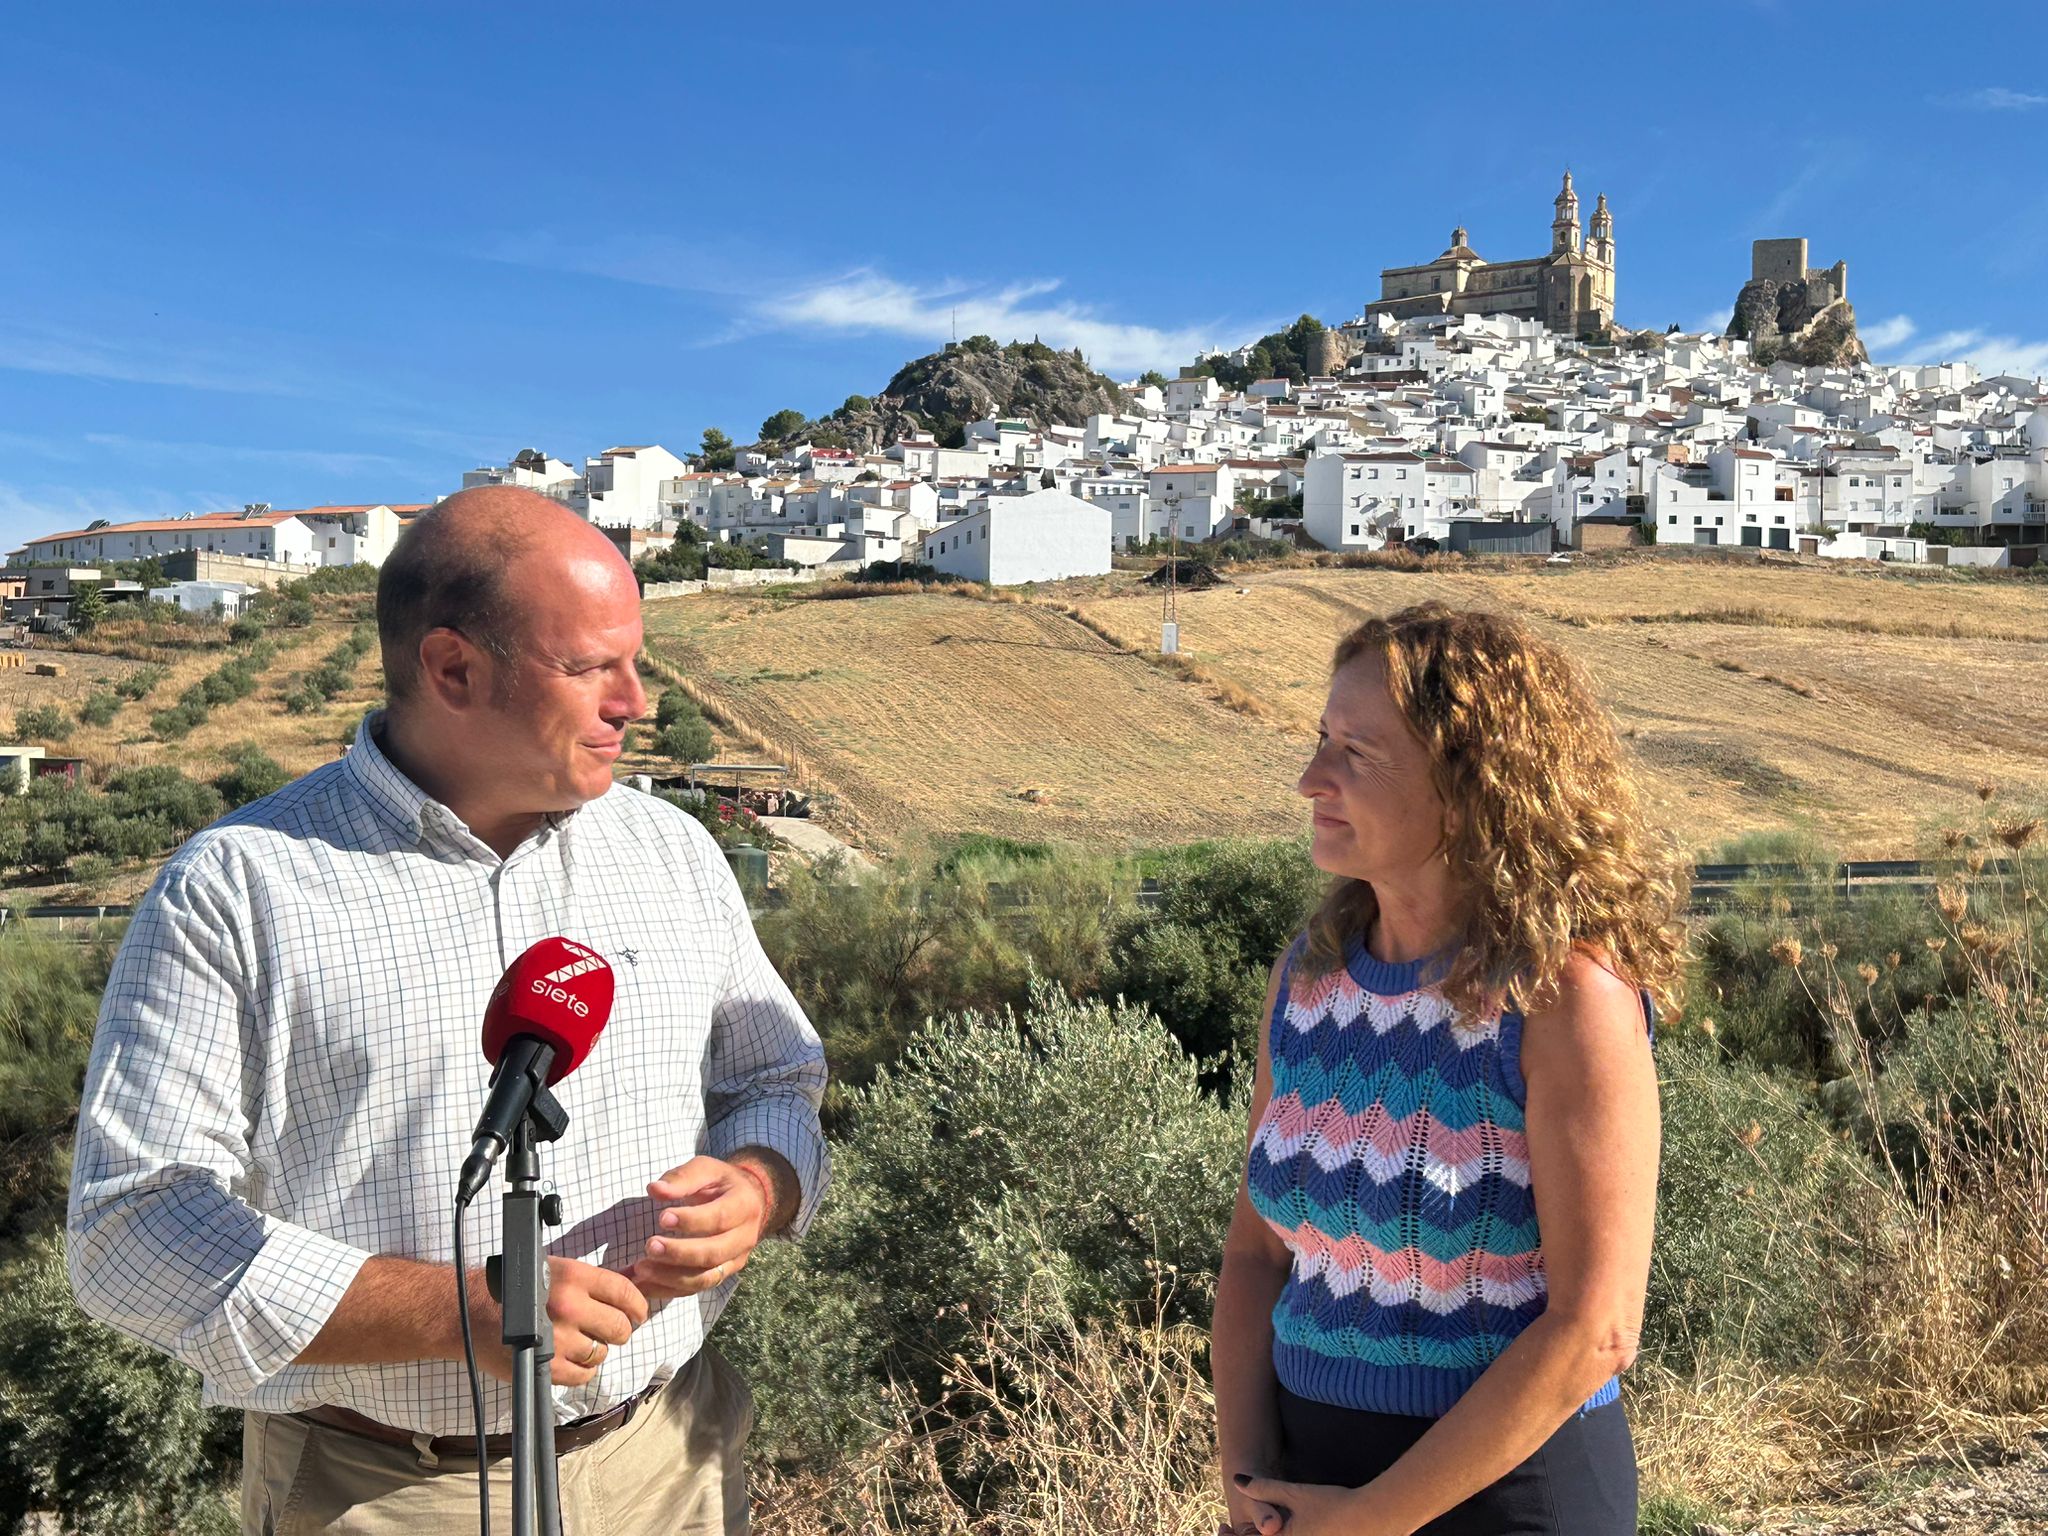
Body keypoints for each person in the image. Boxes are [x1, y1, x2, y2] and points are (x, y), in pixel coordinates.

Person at [68, 486, 829, 1535]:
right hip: (379, 1494)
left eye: (634, 660)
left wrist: (759, 1183)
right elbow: (133, 1231)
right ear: (453, 669)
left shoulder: (673, 853)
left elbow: (773, 1079)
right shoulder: (240, 890)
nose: (635, 700)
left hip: (670, 1460)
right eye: (589, 667)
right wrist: (459, 1313)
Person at [1212, 603, 1682, 1536]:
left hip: (1511, 1500)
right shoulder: (1308, 977)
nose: (1312, 780)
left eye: (1358, 752)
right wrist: (1246, 1481)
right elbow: (1256, 1252)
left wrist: (1374, 1520)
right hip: (1307, 1487)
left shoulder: (1566, 997)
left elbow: (1597, 1327)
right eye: (1320, 741)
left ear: (1474, 783)